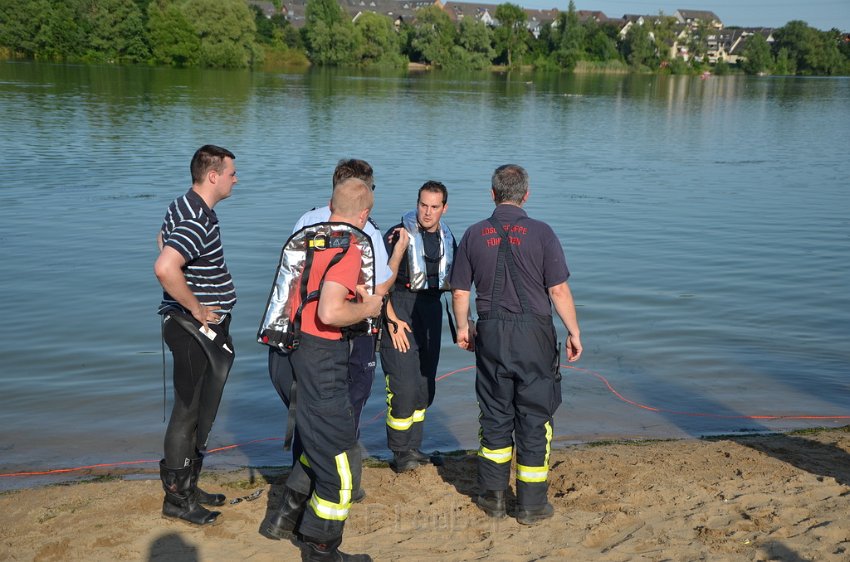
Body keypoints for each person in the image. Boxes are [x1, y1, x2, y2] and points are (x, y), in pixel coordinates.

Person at [450, 164, 583, 526]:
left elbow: (460, 291)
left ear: (492, 194)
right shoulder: (542, 233)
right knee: (535, 415)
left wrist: (463, 328)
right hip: (535, 336)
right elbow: (557, 290)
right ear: (526, 195)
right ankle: (530, 504)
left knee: (495, 412)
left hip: (490, 334)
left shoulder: (474, 234)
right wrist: (574, 332)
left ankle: (492, 498)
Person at [267, 159, 408, 500]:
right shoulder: (361, 237)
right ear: (363, 206)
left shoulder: (306, 222)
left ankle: (296, 497)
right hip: (330, 343)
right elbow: (378, 288)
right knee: (341, 419)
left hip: (287, 338)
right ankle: (335, 489)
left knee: (307, 416)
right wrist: (398, 254)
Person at [265, 178, 382, 561]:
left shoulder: (311, 239)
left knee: (316, 442)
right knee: (343, 464)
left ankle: (283, 519)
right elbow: (329, 311)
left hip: (285, 355)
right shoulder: (348, 247)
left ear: (332, 204)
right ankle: (321, 548)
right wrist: (369, 308)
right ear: (365, 214)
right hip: (320, 360)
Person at [153, 144, 238, 526]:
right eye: (232, 173)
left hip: (200, 327)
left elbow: (162, 238)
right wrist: (195, 306)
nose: (236, 179)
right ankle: (177, 500)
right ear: (213, 176)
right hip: (193, 330)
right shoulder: (197, 219)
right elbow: (165, 265)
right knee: (187, 412)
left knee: (202, 408)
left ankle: (188, 484)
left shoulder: (184, 205)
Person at [381, 181, 455, 472]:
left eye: (434, 207)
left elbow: (459, 283)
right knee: (403, 384)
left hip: (431, 308)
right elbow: (378, 282)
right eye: (423, 205)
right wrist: (391, 320)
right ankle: (400, 453)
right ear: (417, 203)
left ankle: (414, 447)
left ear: (443, 208)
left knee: (425, 384)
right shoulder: (396, 235)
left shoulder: (449, 238)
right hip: (399, 306)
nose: (427, 212)